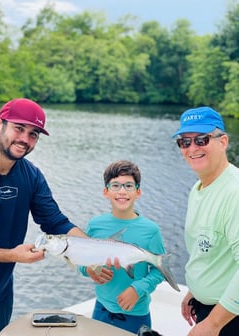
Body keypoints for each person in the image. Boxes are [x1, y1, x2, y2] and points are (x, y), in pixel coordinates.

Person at [0, 98, 89, 336]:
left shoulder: (31, 176)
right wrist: (13, 255)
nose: (25, 139)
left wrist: (91, 255)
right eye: (19, 128)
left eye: (33, 134)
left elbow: (56, 222)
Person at [172, 106, 239, 336]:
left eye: (202, 140)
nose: (192, 148)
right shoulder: (199, 188)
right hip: (207, 308)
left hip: (229, 318)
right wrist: (196, 290)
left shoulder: (235, 192)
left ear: (223, 142)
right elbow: (209, 252)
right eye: (184, 142)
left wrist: (213, 324)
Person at [79, 160, 165, 334]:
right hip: (101, 310)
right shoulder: (95, 225)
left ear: (138, 192)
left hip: (136, 314)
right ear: (106, 191)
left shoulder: (150, 230)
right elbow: (81, 261)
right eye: (115, 185)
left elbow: (159, 270)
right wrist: (88, 270)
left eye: (128, 185)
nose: (122, 191)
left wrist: (138, 289)